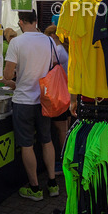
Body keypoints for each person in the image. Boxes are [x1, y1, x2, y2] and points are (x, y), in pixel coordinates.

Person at [3, 11, 58, 201]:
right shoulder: (48, 41)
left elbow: (8, 75)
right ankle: (52, 183)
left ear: (20, 22)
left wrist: (9, 77)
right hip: (44, 98)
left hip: (23, 100)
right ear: (36, 21)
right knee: (46, 140)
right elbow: (52, 66)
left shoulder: (16, 42)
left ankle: (35, 188)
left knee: (27, 144)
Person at [44, 25, 70, 160]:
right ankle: (67, 155)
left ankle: (63, 158)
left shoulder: (57, 50)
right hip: (67, 92)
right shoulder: (65, 48)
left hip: (59, 93)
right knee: (65, 128)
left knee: (61, 129)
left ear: (53, 36)